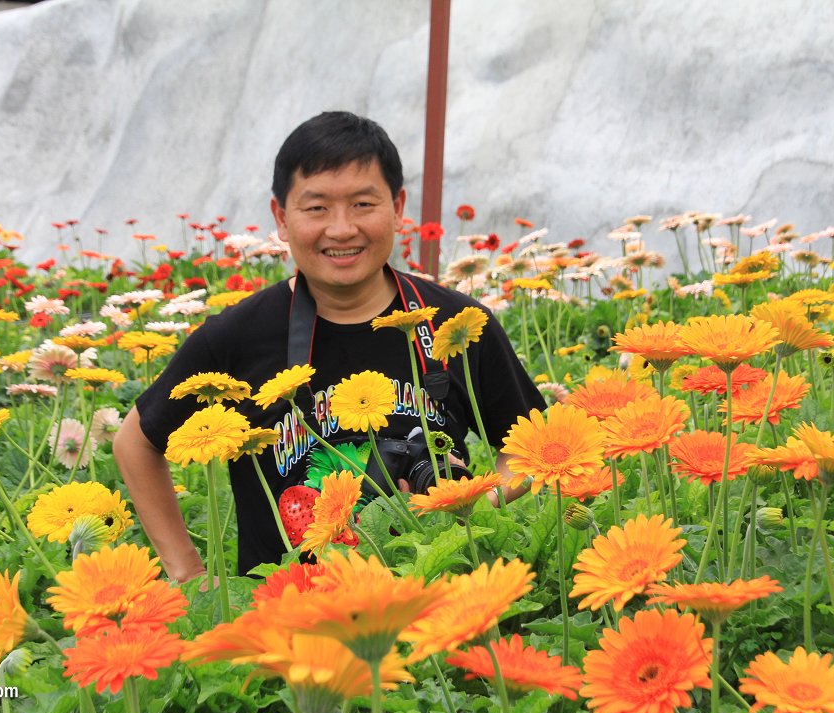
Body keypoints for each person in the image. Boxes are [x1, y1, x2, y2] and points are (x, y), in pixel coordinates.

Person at [113, 111, 545, 582]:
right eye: (316, 208)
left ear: (398, 208)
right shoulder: (236, 337)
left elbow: (530, 445)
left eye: (363, 204)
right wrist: (189, 575)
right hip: (285, 620)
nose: (341, 230)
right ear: (281, 217)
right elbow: (135, 442)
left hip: (435, 600)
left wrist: (474, 500)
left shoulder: (457, 324)